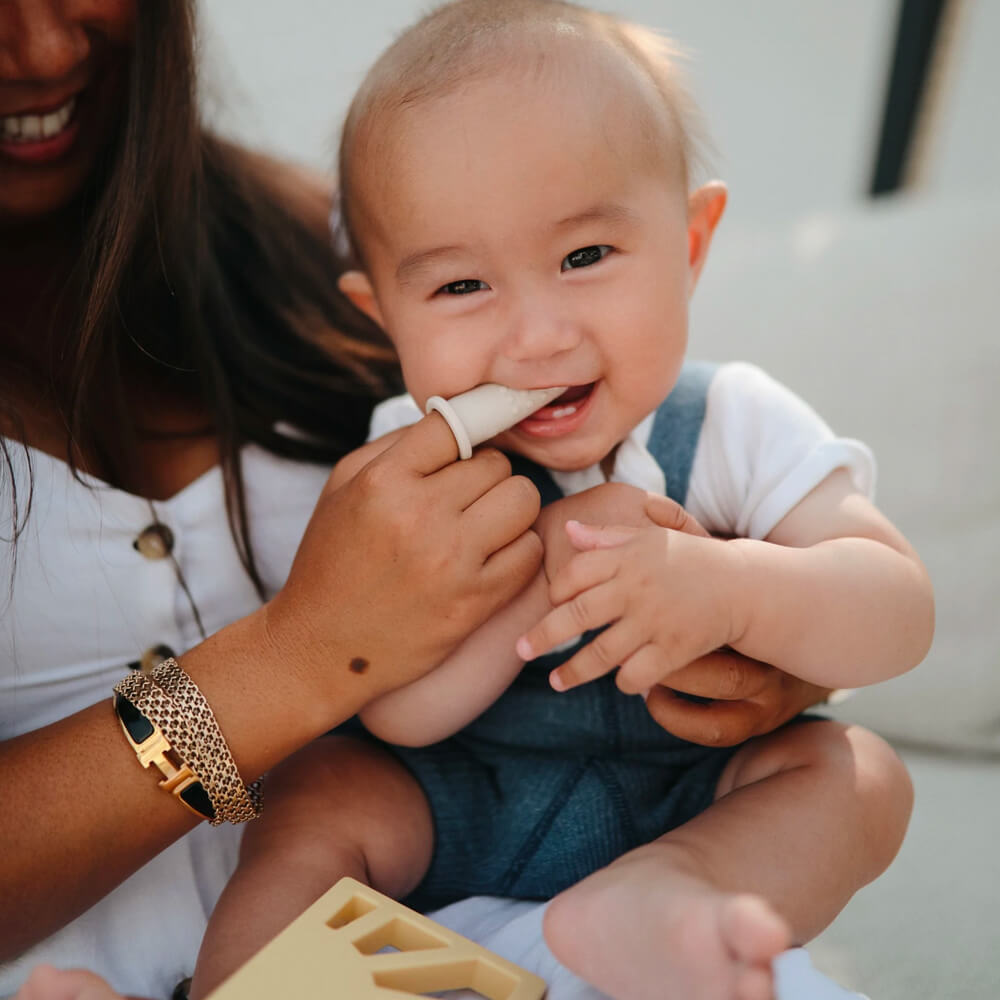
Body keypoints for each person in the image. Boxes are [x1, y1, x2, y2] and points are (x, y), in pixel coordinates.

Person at [0, 2, 833, 998]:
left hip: (450, 933)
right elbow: (382, 698)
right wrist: (302, 657)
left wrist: (770, 635)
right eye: (463, 288)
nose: (45, 46)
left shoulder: (342, 244)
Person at [187, 3, 932, 1000]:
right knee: (317, 792)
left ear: (691, 242)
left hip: (690, 799)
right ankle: (247, 984)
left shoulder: (730, 422)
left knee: (860, 775)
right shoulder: (407, 464)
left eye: (585, 258)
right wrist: (541, 568)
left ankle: (664, 900)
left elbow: (895, 611)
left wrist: (729, 585)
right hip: (454, 798)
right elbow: (399, 711)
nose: (535, 336)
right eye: (459, 287)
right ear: (384, 317)